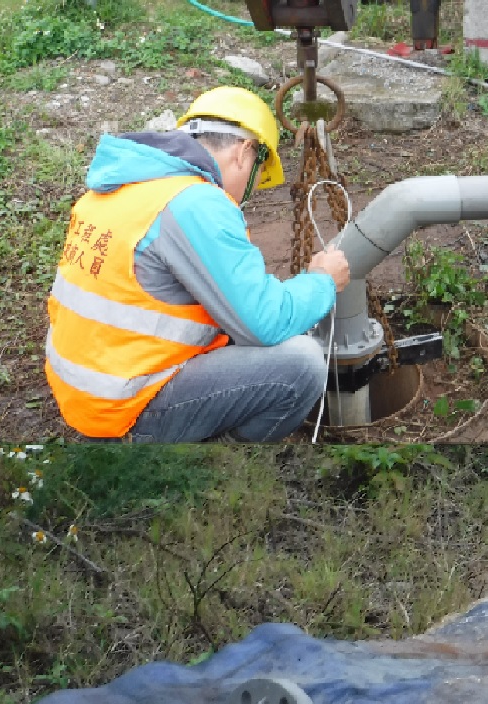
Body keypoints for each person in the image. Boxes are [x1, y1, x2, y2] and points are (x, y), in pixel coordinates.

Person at [44, 86, 351, 443]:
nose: (244, 195)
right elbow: (266, 322)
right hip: (130, 409)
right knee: (301, 365)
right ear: (244, 152)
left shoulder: (124, 186)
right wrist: (322, 281)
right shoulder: (195, 203)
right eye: (255, 173)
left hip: (87, 392)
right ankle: (226, 464)